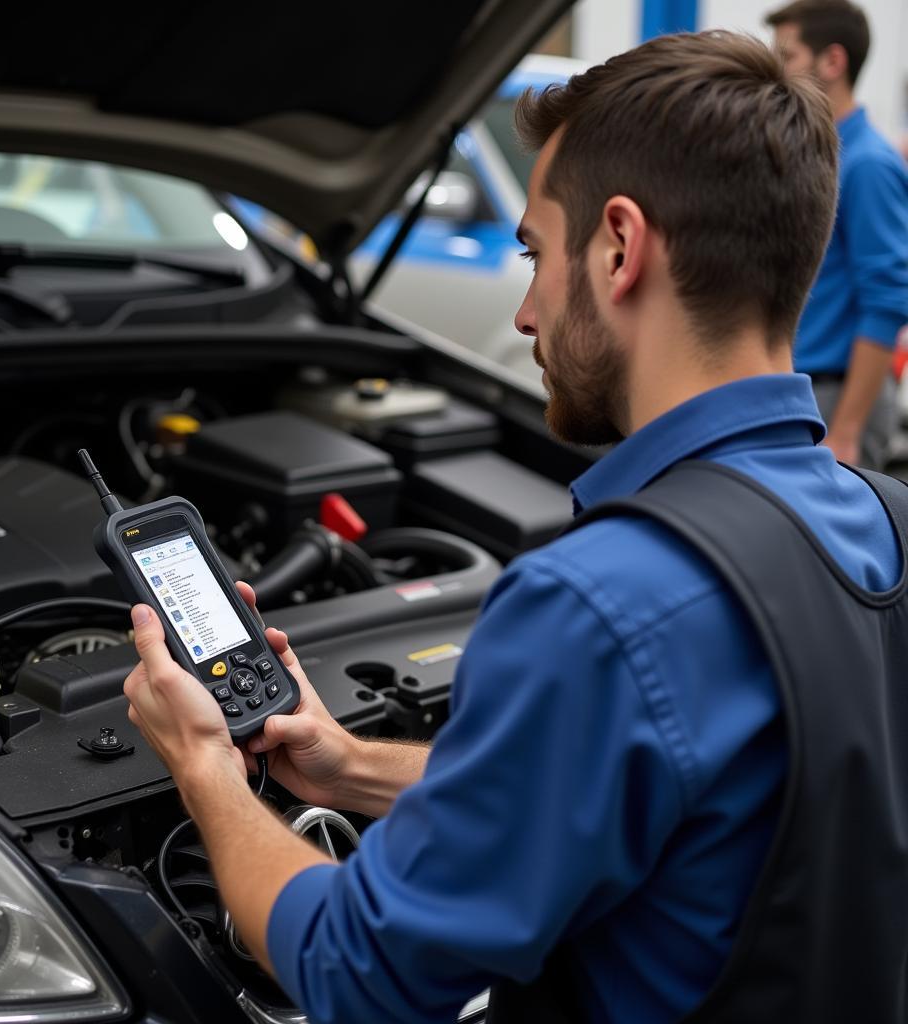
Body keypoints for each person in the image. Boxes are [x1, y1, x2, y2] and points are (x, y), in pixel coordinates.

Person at [123, 31, 908, 1024]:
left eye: (535, 252)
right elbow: (656, 805)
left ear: (620, 247)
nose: (528, 311)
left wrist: (203, 770)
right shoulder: (888, 524)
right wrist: (350, 764)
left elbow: (360, 970)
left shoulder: (598, 606)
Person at [765, 0, 908, 469]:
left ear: (833, 62)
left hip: (836, 403)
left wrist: (846, 431)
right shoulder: (817, 155)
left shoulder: (867, 164)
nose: (775, 71)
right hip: (802, 395)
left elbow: (887, 301)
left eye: (787, 56)